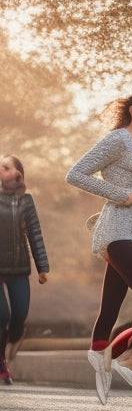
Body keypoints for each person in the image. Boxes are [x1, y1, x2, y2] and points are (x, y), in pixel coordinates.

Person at [66, 86, 132, 407]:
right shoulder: (119, 139)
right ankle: (115, 356)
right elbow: (75, 174)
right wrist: (126, 195)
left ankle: (102, 362)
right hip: (116, 232)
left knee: (109, 310)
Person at [0, 155, 49, 384]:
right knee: (2, 316)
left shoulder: (26, 201)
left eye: (5, 166)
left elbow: (35, 233)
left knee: (20, 315)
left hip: (19, 268)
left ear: (17, 173)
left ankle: (13, 339)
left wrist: (42, 267)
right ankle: (1, 362)